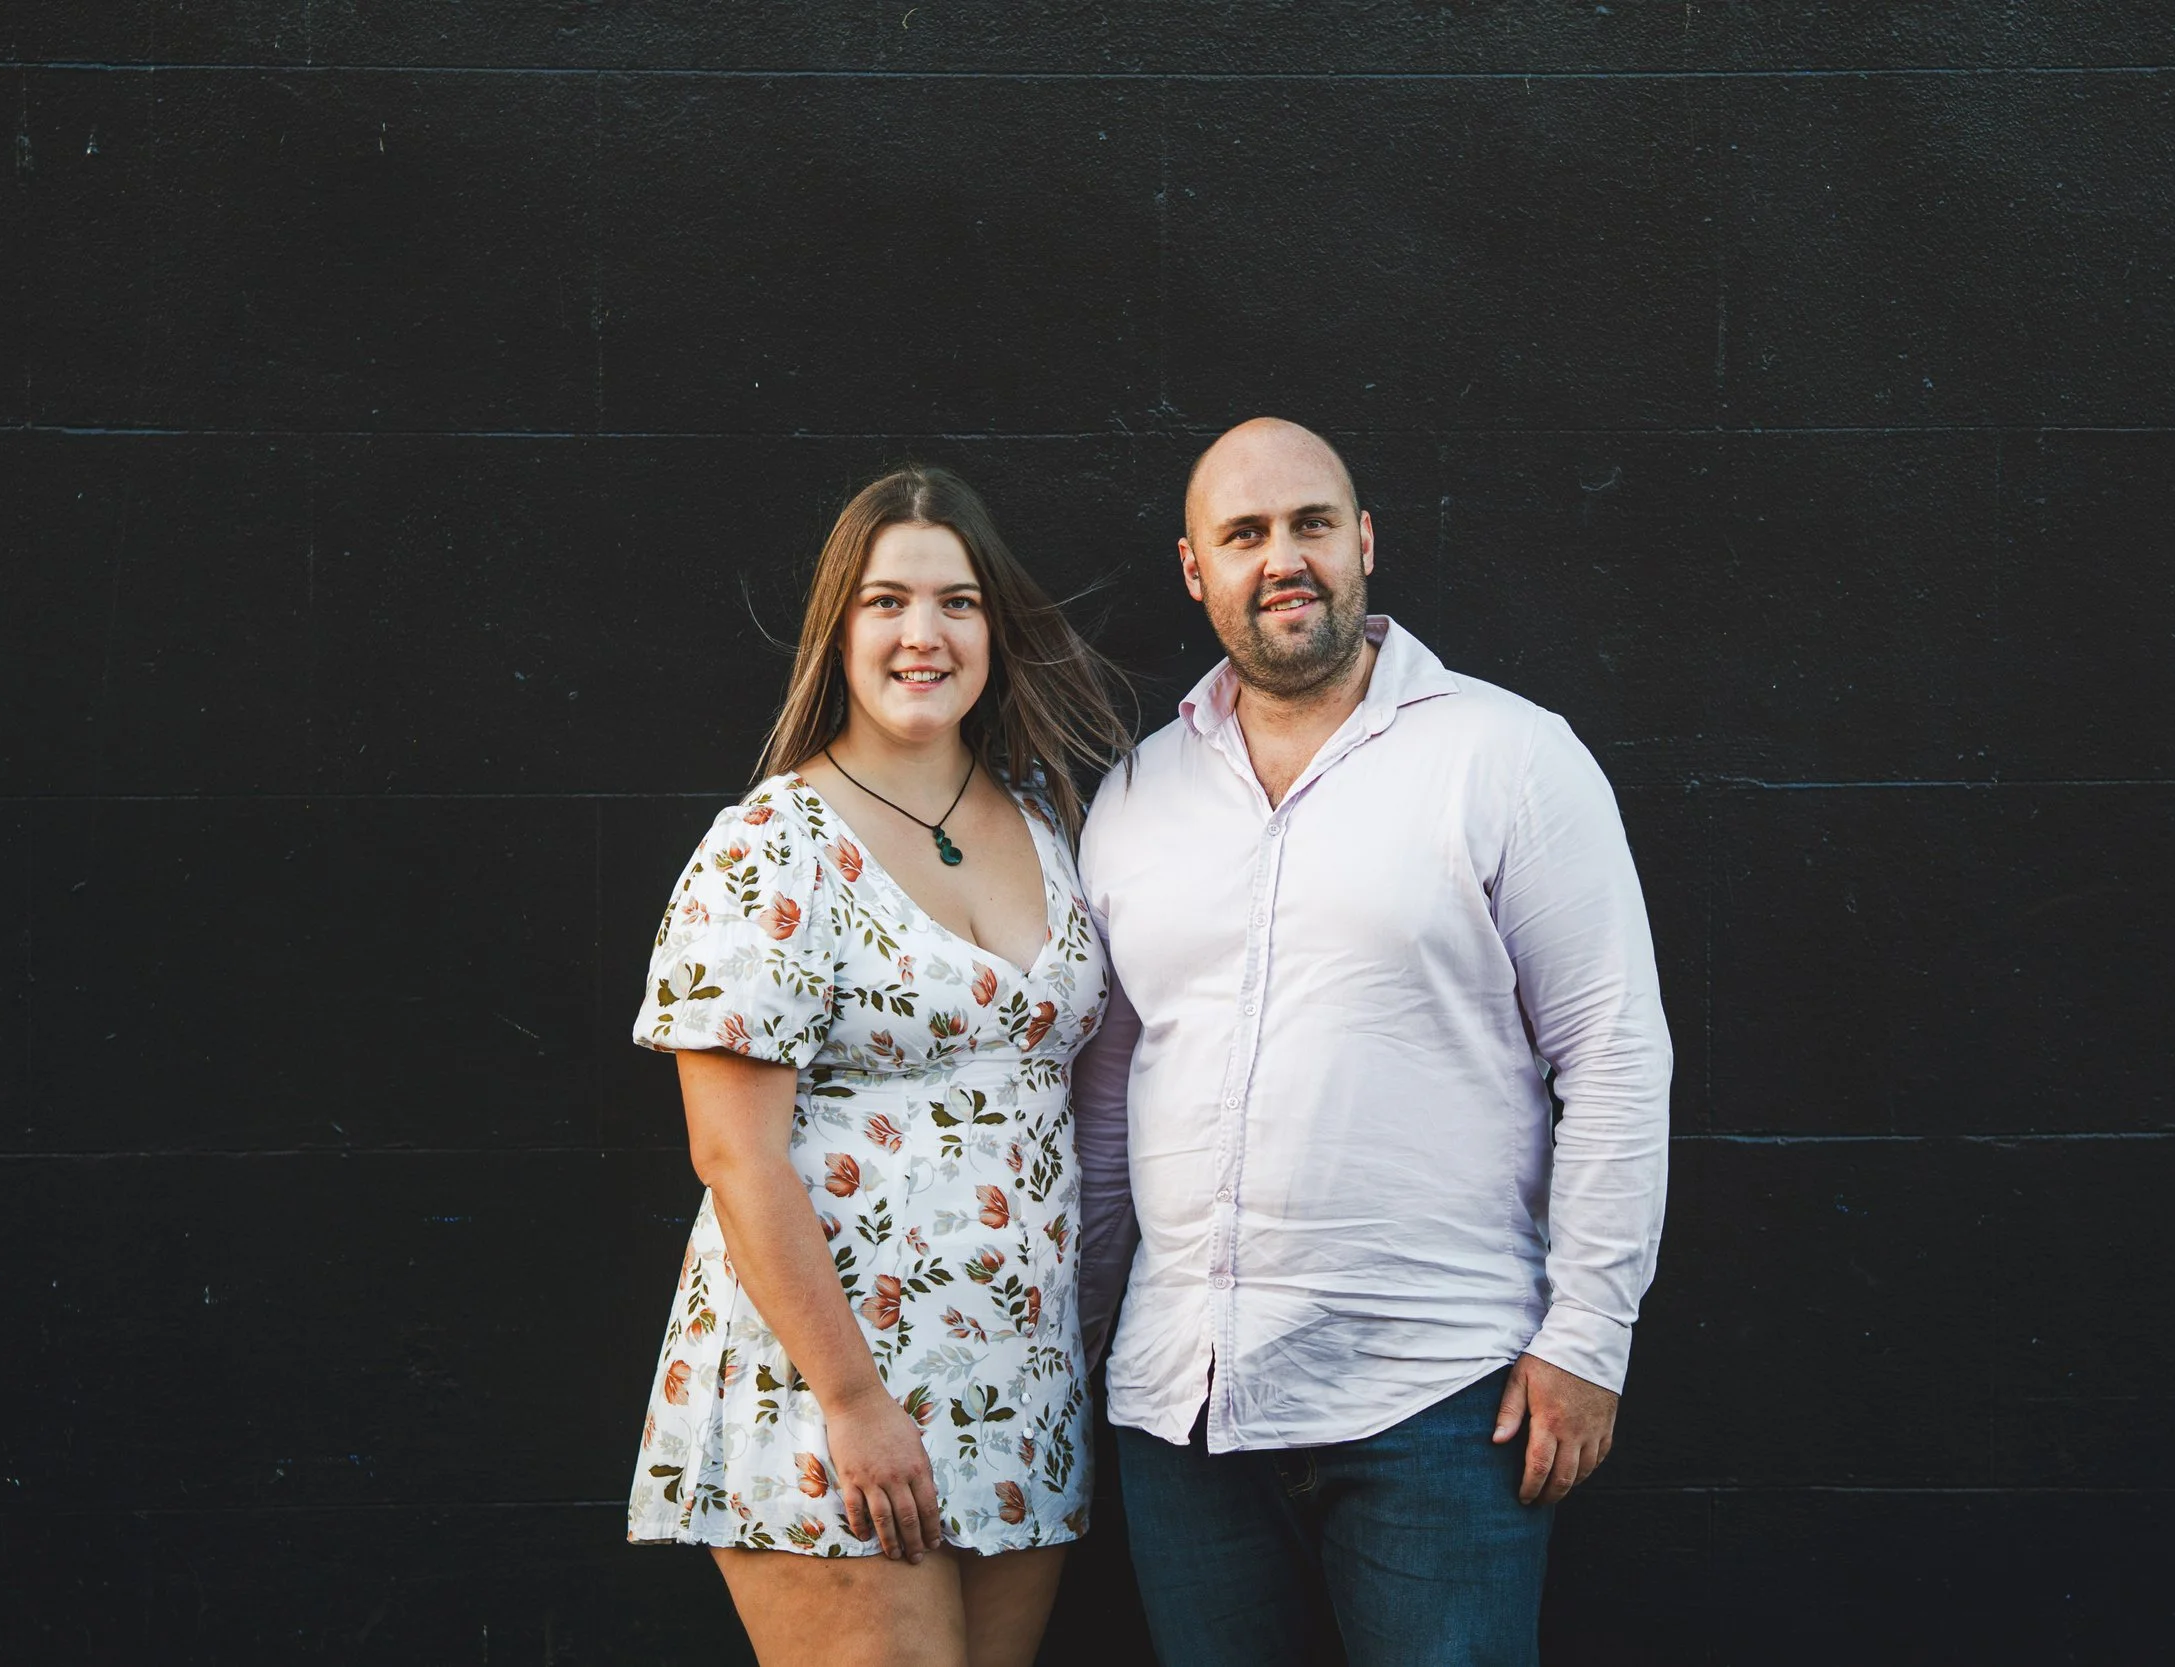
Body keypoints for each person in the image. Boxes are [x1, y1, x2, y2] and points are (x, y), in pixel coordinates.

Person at [1071, 418, 1674, 1665]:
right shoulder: (1135, 794)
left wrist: (1587, 1337)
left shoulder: (1507, 756)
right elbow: (1109, 1092)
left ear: (1363, 542)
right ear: (1195, 568)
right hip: (1184, 1409)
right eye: (1244, 533)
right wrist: (1072, 1335)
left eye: (1310, 524)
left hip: (1440, 1404)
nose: (1281, 558)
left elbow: (1613, 1053)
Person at [627, 466, 1133, 1667]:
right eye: (887, 601)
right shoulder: (770, 845)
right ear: (837, 629)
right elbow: (732, 1155)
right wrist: (854, 1404)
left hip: (1015, 1382)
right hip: (827, 1389)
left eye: (957, 602)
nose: (924, 633)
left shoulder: (1047, 819)